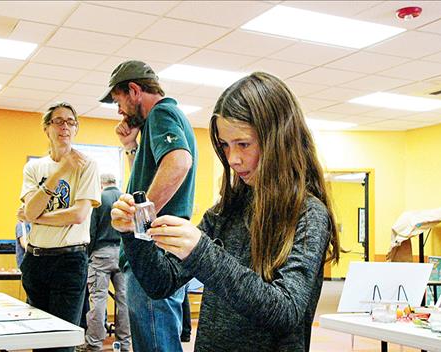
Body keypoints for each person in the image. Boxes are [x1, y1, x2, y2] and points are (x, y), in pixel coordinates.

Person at [111, 72, 341, 351]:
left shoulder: (309, 214)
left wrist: (203, 253)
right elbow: (160, 283)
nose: (233, 159)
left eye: (243, 144)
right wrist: (132, 232)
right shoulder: (226, 211)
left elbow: (285, 312)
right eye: (225, 146)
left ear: (278, 139)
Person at [99, 60, 197, 352]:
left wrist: (139, 222)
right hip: (162, 249)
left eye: (119, 101)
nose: (119, 111)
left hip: (153, 251)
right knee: (158, 340)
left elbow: (179, 161)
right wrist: (132, 147)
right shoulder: (162, 121)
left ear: (134, 90)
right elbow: (144, 180)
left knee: (155, 344)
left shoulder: (161, 113)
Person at [18, 101, 101, 352]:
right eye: (58, 121)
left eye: (70, 121)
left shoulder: (88, 165)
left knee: (61, 341)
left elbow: (79, 214)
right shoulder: (34, 167)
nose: (65, 126)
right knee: (39, 338)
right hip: (35, 260)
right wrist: (61, 170)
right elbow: (30, 211)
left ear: (76, 129)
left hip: (69, 261)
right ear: (47, 128)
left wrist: (37, 216)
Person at [84, 173, 130, 352]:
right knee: (124, 300)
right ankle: (124, 344)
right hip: (122, 253)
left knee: (98, 299)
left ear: (101, 184)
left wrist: (89, 254)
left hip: (101, 255)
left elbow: (92, 230)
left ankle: (94, 343)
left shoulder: (98, 199)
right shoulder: (125, 197)